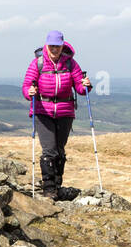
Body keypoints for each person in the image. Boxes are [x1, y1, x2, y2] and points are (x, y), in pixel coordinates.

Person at [22, 30, 91, 198]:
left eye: (57, 46)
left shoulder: (71, 64)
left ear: (62, 46)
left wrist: (86, 86)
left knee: (59, 150)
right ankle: (49, 188)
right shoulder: (37, 63)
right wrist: (30, 92)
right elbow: (26, 86)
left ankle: (57, 184)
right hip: (42, 111)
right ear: (46, 45)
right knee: (49, 151)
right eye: (51, 46)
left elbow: (81, 89)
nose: (54, 49)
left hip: (65, 111)